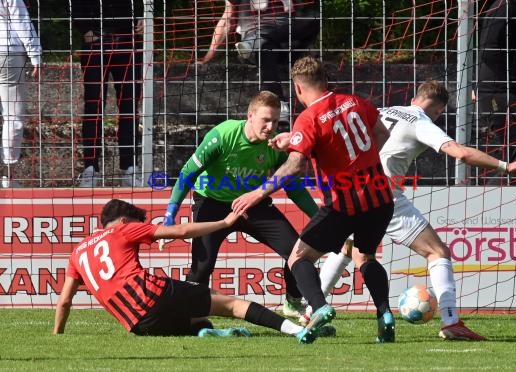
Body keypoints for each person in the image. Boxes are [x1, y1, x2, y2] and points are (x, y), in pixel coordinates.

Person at [307, 80, 516, 340]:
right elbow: (460, 153)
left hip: (352, 189)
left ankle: (311, 312)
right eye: (439, 113)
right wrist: (505, 166)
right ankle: (450, 321)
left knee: (346, 247)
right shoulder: (421, 121)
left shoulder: (384, 110)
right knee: (437, 251)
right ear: (437, 109)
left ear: (416, 96)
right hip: (383, 192)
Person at [231, 56, 395, 344]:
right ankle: (385, 314)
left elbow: (295, 165)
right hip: (380, 196)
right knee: (365, 256)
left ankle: (319, 308)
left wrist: (258, 193)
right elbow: (381, 133)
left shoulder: (307, 118)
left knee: (298, 257)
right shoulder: (356, 101)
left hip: (345, 203)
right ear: (325, 80)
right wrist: (357, 161)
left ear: (297, 88)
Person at [53, 199, 332, 339]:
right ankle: (296, 331)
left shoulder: (78, 252)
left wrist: (58, 336)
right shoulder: (123, 230)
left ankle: (211, 334)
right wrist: (225, 223)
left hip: (137, 325)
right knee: (232, 304)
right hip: (152, 295)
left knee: (201, 321)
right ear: (123, 220)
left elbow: (65, 301)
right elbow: (182, 231)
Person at [160, 91, 320, 319]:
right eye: (266, 120)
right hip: (212, 203)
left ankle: (293, 302)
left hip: (254, 205)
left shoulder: (276, 147)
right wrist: (169, 216)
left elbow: (293, 187)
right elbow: (187, 174)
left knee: (298, 252)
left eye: (276, 122)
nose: (270, 127)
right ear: (250, 115)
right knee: (202, 267)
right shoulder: (223, 135)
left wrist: (319, 216)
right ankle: (190, 313)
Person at [200, 0, 319, 126]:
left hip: (285, 40)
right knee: (265, 47)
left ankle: (255, 40)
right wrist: (208, 57)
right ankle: (279, 104)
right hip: (258, 48)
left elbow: (301, 13)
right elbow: (226, 21)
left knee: (314, 19)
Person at [71, 0, 144, 187]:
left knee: (129, 105)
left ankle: (129, 167)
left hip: (129, 42)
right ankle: (91, 168)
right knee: (93, 105)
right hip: (96, 42)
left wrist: (145, 17)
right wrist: (84, 28)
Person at [476, 0, 516, 185]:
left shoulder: (514, 9)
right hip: (498, 91)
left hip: (507, 89)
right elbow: (488, 52)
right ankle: (495, 200)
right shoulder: (503, 9)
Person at [0, 0, 42, 188]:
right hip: (8, 50)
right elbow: (21, 19)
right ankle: (8, 175)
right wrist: (36, 55)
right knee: (13, 116)